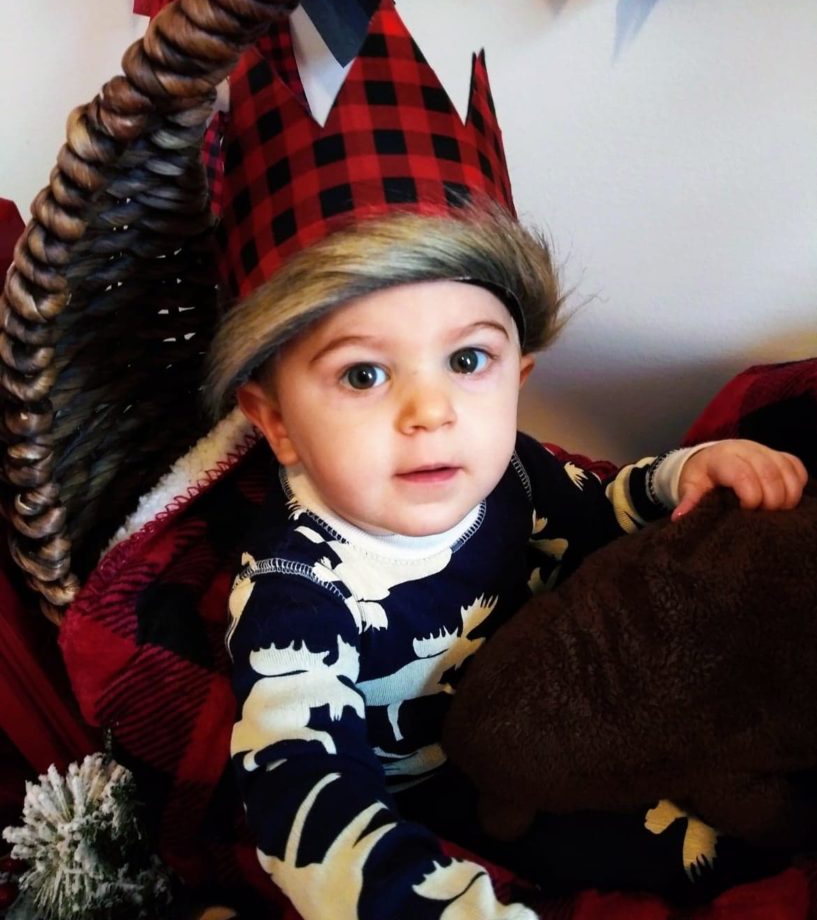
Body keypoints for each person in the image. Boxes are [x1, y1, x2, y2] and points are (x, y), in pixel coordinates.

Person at [207, 203, 807, 920]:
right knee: (699, 857)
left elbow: (599, 509)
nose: (430, 411)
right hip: (452, 792)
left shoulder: (508, 470)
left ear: (517, 376)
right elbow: (300, 784)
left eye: (466, 361)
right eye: (363, 375)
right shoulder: (295, 591)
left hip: (565, 687)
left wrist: (683, 476)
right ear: (276, 422)